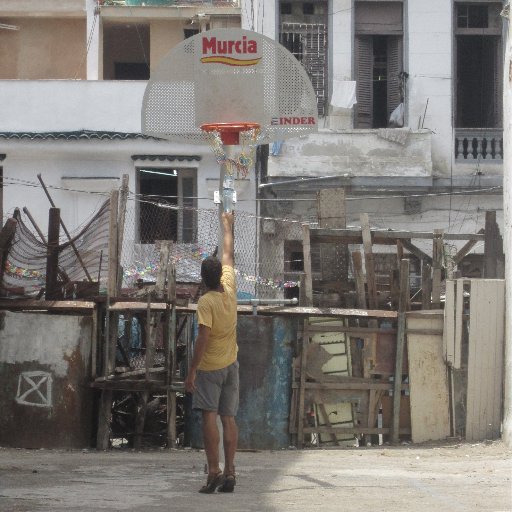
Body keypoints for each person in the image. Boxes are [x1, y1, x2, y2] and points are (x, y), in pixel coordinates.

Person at [184, 211, 239, 494]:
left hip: (210, 368)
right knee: (229, 418)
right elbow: (228, 251)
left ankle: (214, 471)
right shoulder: (229, 288)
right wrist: (227, 223)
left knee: (209, 416)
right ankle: (231, 472)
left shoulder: (205, 303)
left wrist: (192, 371)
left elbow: (202, 339)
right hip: (231, 364)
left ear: (203, 279)